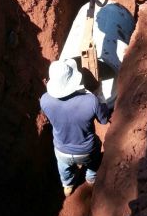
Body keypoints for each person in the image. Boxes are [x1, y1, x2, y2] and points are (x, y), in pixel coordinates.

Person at [40, 58, 110, 197]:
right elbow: (104, 120)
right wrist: (99, 94)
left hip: (61, 150)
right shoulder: (91, 101)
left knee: (64, 169)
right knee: (94, 161)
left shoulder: (45, 100)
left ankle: (68, 186)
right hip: (87, 150)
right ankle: (91, 178)